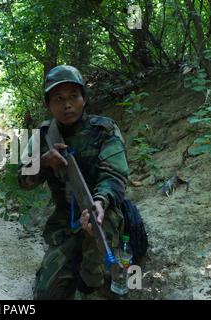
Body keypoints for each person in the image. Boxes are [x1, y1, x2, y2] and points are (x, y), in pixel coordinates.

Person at [18, 65, 129, 299]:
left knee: (96, 286)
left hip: (102, 216)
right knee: (47, 294)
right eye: (58, 98)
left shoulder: (104, 129)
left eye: (73, 97)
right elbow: (23, 181)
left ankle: (94, 277)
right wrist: (43, 162)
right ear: (48, 105)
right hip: (65, 223)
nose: (67, 105)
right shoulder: (43, 135)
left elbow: (115, 177)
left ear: (84, 99)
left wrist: (100, 201)